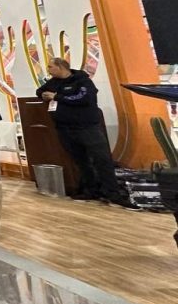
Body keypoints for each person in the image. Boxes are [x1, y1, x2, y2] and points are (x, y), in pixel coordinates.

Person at [36, 58, 138, 209]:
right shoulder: (53, 82)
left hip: (87, 127)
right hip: (65, 128)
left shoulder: (82, 81)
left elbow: (84, 98)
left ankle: (112, 193)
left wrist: (57, 97)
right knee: (81, 161)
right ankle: (91, 190)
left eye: (51, 67)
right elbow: (40, 91)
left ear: (61, 67)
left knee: (102, 160)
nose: (48, 70)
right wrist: (44, 95)